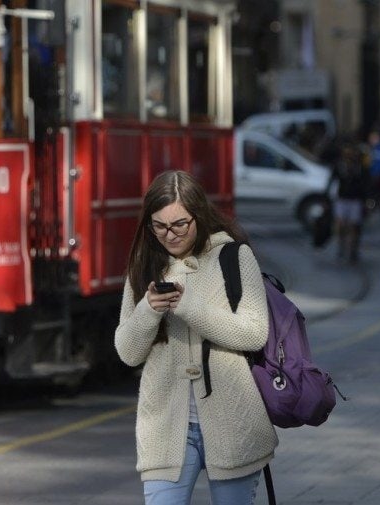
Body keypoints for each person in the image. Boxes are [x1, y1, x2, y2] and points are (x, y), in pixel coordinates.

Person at [114, 170, 276, 504]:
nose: (169, 235)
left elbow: (255, 332)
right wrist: (148, 310)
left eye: (179, 225)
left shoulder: (233, 257)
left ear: (198, 216)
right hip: (165, 429)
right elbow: (128, 352)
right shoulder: (143, 265)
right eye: (159, 226)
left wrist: (189, 306)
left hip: (233, 423)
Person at [330, 141, 370, 263]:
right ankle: (341, 247)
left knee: (354, 226)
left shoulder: (360, 167)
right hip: (342, 199)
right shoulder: (339, 166)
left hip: (355, 200)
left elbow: (366, 184)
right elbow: (332, 181)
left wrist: (367, 200)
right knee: (341, 225)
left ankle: (353, 251)